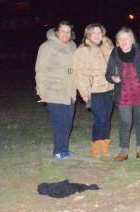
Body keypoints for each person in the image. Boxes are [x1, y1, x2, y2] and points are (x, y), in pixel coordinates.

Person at [35, 21, 77, 159]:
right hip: (54, 90)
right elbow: (41, 69)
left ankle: (64, 148)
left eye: (68, 31)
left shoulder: (72, 45)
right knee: (60, 122)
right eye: (63, 31)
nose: (65, 34)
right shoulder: (47, 46)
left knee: (68, 122)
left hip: (70, 90)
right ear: (56, 32)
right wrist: (41, 90)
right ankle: (59, 151)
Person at [73, 23, 114, 159]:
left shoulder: (108, 46)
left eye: (99, 32)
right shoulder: (82, 51)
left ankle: (104, 144)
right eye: (93, 33)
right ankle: (96, 144)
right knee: (100, 119)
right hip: (94, 90)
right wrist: (84, 92)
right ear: (88, 35)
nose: (97, 35)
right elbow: (78, 73)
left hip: (109, 88)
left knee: (107, 119)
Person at [106, 28, 140, 162]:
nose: (124, 42)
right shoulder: (114, 54)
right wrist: (113, 78)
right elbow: (107, 74)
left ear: (132, 40)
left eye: (126, 38)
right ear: (117, 42)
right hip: (123, 95)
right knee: (125, 123)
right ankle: (123, 151)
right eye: (121, 39)